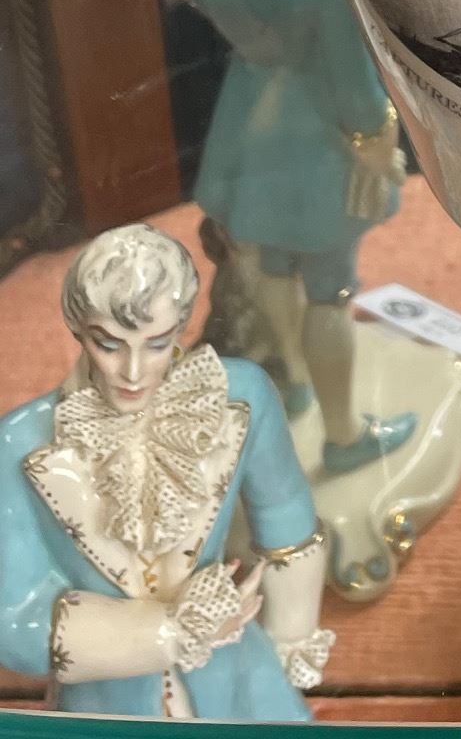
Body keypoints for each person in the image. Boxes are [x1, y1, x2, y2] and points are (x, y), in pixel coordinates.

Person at [165, 0, 414, 475]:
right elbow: (356, 94)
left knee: (270, 262)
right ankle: (344, 436)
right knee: (330, 286)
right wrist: (380, 146)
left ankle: (295, 382)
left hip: (248, 116)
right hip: (316, 141)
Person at [0, 225, 333, 718]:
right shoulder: (16, 444)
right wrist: (171, 633)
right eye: (109, 345)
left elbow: (286, 518)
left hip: (239, 684)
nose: (133, 372)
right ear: (77, 329)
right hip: (105, 708)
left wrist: (291, 639)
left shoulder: (240, 397)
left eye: (156, 344)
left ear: (181, 324)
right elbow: (14, 624)